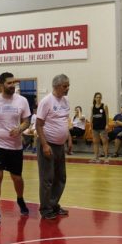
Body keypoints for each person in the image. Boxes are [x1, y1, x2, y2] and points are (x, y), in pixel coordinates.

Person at [0, 72, 32, 226]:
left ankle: (20, 199)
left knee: (17, 178)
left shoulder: (22, 101)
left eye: (13, 83)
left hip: (15, 147)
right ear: (1, 85)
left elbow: (27, 121)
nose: (12, 86)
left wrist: (20, 129)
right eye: (9, 83)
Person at [36, 74, 71, 220]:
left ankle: (53, 204)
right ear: (56, 86)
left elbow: (65, 121)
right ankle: (45, 209)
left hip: (60, 145)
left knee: (60, 177)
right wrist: (44, 145)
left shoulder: (66, 100)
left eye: (68, 85)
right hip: (48, 144)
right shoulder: (46, 101)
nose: (68, 88)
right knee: (47, 178)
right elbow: (38, 125)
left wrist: (69, 139)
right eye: (65, 86)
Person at [90, 92, 109, 163]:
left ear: (101, 98)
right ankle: (96, 157)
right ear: (95, 98)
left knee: (104, 142)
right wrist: (90, 125)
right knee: (95, 142)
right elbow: (91, 116)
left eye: (100, 97)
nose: (98, 98)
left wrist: (107, 124)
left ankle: (106, 157)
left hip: (102, 127)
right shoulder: (92, 107)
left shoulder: (104, 106)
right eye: (97, 97)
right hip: (95, 127)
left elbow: (107, 116)